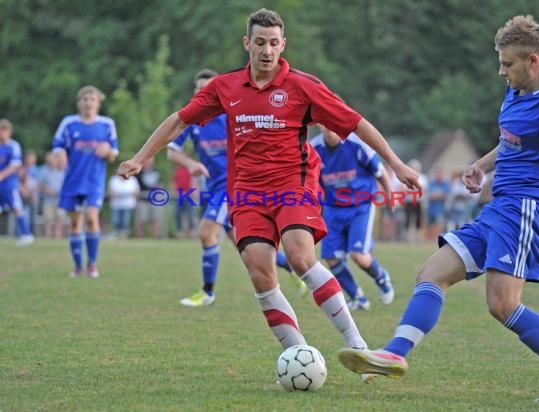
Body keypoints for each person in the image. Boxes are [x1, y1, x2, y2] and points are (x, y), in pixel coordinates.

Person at [118, 8, 420, 379]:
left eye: (274, 43)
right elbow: (179, 119)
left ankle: (360, 350)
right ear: (247, 43)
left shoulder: (304, 85)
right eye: (259, 42)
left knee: (299, 257)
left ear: (283, 45)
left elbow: (356, 123)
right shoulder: (225, 87)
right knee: (260, 272)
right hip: (246, 192)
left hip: (293, 185)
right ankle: (299, 358)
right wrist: (139, 158)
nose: (267, 50)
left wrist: (397, 165)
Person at [338, 15, 539, 403]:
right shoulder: (517, 92)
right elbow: (513, 142)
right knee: (431, 273)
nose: (501, 71)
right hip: (499, 207)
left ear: (533, 61)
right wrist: (481, 164)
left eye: (508, 64)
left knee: (503, 305)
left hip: (527, 208)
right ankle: (394, 353)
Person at [167, 68, 306, 307]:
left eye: (207, 88)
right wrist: (192, 164)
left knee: (206, 232)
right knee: (247, 249)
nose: (203, 93)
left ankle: (207, 293)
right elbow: (172, 152)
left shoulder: (231, 115)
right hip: (214, 188)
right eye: (199, 89)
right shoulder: (193, 121)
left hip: (235, 186)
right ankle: (294, 270)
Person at [311, 124, 394, 311]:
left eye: (329, 119)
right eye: (322, 121)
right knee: (331, 258)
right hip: (333, 208)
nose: (327, 125)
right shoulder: (314, 149)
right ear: (317, 123)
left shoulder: (356, 145)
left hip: (360, 206)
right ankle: (358, 297)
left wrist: (391, 195)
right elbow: (309, 179)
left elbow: (379, 171)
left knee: (359, 256)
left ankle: (381, 277)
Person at [52, 85, 119, 278]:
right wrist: (60, 153)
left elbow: (113, 153)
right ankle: (77, 265)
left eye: (92, 99)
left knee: (91, 218)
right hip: (73, 180)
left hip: (94, 182)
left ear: (98, 103)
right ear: (79, 103)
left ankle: (92, 264)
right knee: (74, 224)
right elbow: (57, 145)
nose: (88, 102)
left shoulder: (107, 124)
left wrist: (107, 148)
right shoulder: (69, 123)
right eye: (85, 99)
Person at [0, 119, 34, 245]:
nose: (1, 132)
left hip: (9, 184)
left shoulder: (13, 146)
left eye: (4, 130)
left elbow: (15, 165)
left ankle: (27, 234)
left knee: (17, 208)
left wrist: (2, 175)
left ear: (9, 132)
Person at [37, 152, 66, 238]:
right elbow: (39, 185)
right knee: (48, 218)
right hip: (48, 199)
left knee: (60, 217)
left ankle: (58, 235)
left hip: (60, 198)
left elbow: (67, 184)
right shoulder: (44, 170)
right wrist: (46, 190)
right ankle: (48, 235)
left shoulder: (63, 170)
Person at [134, 157, 163, 238]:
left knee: (156, 218)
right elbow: (135, 185)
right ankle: (140, 237)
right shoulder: (139, 172)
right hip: (142, 199)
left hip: (154, 200)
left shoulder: (156, 171)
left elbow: (160, 184)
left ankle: (156, 236)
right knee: (140, 219)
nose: (148, 164)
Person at [108, 174, 139, 239]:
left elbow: (136, 191)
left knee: (125, 222)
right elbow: (110, 191)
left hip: (128, 204)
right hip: (116, 205)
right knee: (116, 221)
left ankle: (123, 237)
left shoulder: (132, 179)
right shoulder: (114, 179)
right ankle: (116, 236)